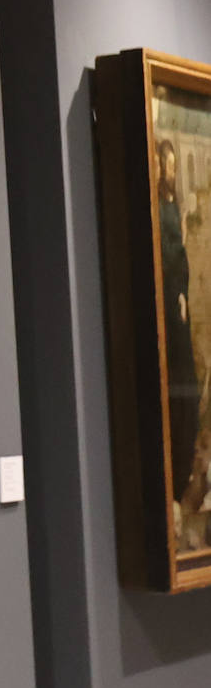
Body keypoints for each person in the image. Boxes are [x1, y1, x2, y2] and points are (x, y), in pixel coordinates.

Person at [157, 139, 201, 503]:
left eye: (172, 165)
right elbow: (169, 255)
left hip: (178, 298)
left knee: (189, 389)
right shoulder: (158, 208)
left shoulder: (171, 205)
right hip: (169, 302)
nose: (169, 171)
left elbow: (179, 254)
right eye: (166, 165)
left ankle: (184, 465)